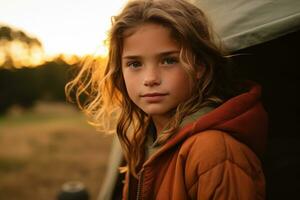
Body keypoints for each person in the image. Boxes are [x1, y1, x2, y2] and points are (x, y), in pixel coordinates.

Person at [66, 0, 268, 199]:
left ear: (200, 66)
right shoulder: (142, 140)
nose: (150, 79)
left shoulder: (214, 151)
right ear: (120, 71)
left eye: (169, 60)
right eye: (135, 64)